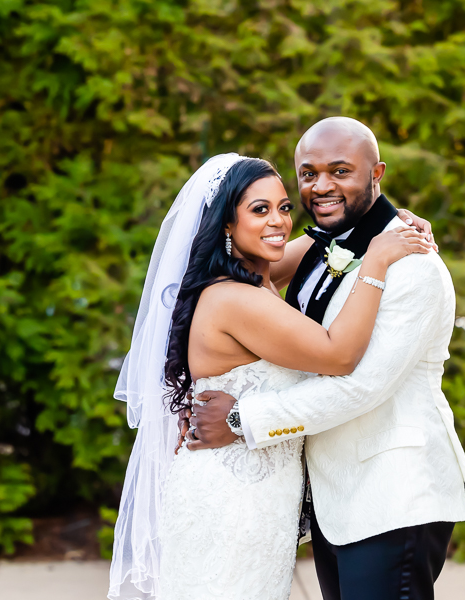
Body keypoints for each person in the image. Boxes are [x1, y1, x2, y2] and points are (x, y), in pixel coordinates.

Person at [108, 143, 435, 599]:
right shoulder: (236, 299)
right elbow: (338, 355)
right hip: (234, 500)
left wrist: (389, 217)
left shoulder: (255, 273)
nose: (279, 221)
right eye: (259, 209)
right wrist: (377, 262)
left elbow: (338, 235)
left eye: (283, 207)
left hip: (257, 499)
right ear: (226, 222)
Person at [182, 118, 465, 600]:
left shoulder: (414, 268)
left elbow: (361, 384)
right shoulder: (320, 248)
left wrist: (240, 417)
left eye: (341, 171)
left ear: (376, 172)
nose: (321, 186)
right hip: (333, 501)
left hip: (391, 496)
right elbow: (248, 266)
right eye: (308, 173)